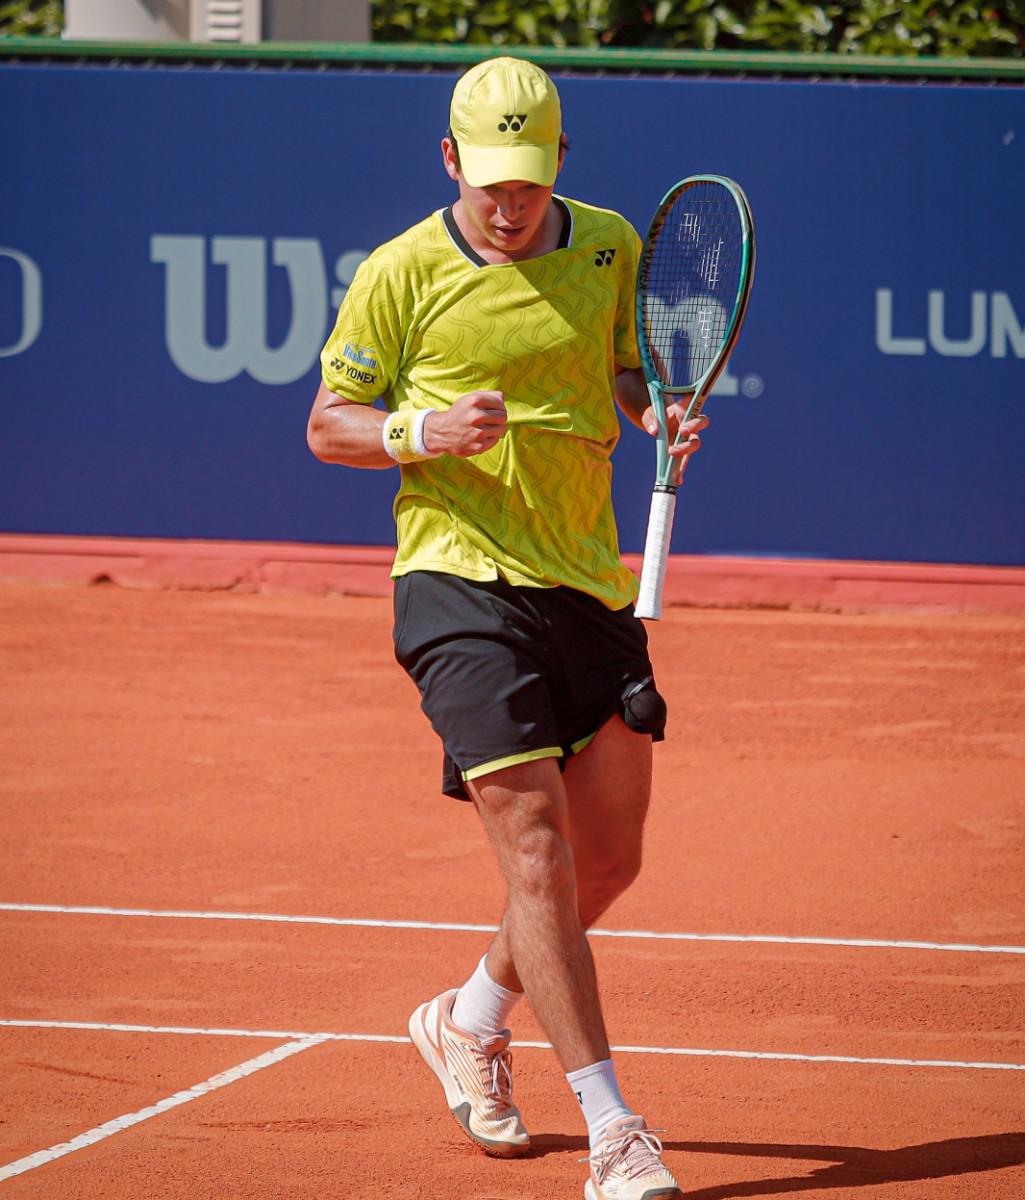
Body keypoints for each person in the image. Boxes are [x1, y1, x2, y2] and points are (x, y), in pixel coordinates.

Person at [307, 55, 706, 1200]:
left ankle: (468, 1015)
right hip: (454, 584)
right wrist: (418, 433)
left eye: (526, 181)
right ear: (449, 162)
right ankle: (612, 1128)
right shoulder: (399, 272)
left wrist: (662, 413)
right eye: (486, 181)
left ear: (558, 166)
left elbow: (631, 375)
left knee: (607, 859)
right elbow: (328, 423)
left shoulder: (610, 244)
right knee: (534, 846)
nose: (507, 203)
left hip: (583, 580)